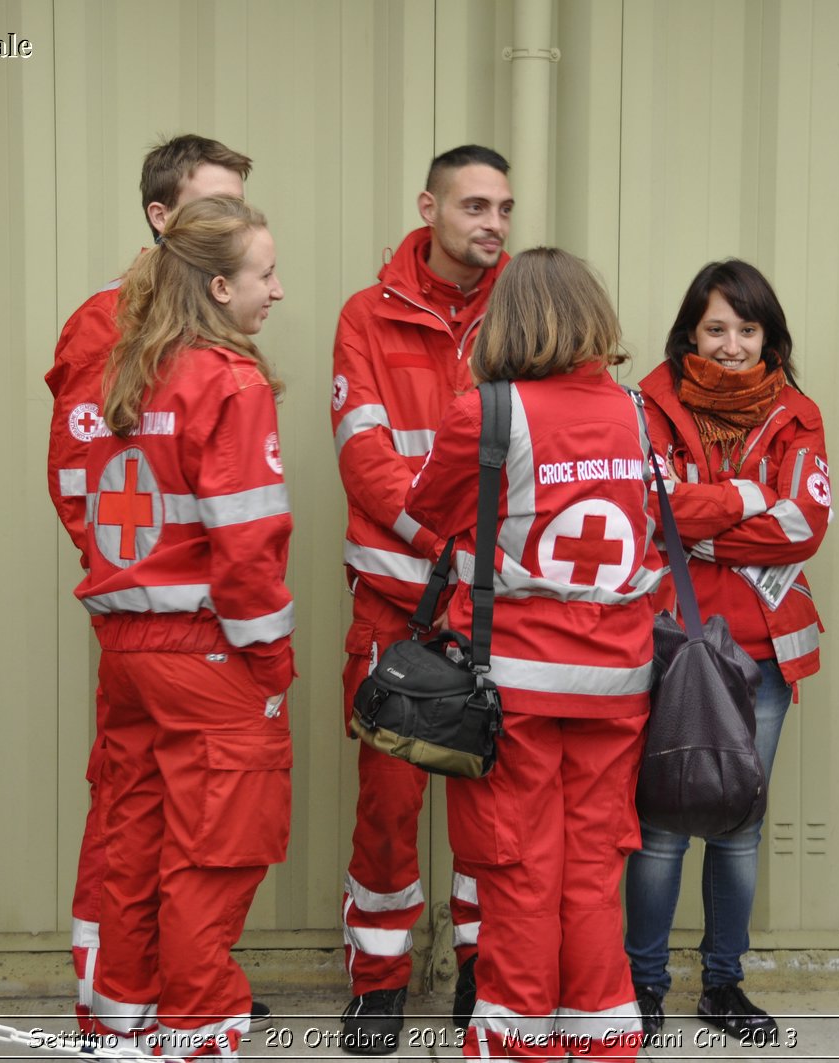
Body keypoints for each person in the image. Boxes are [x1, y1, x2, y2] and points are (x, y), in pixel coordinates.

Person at [404, 247, 659, 1061]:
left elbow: (428, 510)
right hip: (618, 684)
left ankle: (517, 1046)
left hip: (508, 685)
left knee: (518, 870)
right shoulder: (640, 411)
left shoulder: (488, 411)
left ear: (506, 321)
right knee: (592, 871)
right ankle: (603, 1040)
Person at [42, 133, 269, 1033]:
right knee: (135, 815)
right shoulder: (108, 321)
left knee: (190, 823)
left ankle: (153, 1002)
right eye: (217, 208)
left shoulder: (216, 321)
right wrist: (140, 586)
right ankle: (116, 1004)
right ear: (161, 217)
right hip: (162, 626)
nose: (237, 227)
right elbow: (82, 481)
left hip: (191, 624)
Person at [330, 144, 512, 1052]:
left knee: (491, 808)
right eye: (475, 205)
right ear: (428, 207)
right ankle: (379, 981)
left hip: (500, 612)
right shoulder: (366, 316)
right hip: (397, 607)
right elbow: (366, 463)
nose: (493, 224)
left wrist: (482, 572)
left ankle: (484, 971)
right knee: (389, 806)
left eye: (504, 209)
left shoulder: (528, 309)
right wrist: (452, 552)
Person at [624, 259, 830, 1044]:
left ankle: (723, 983)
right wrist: (750, 498)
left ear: (769, 335)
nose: (735, 344)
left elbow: (804, 524)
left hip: (762, 652)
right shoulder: (645, 407)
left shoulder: (798, 413)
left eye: (748, 329)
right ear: (689, 333)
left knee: (736, 827)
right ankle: (641, 985)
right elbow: (648, 510)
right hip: (670, 645)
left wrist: (702, 515)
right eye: (717, 328)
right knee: (661, 827)